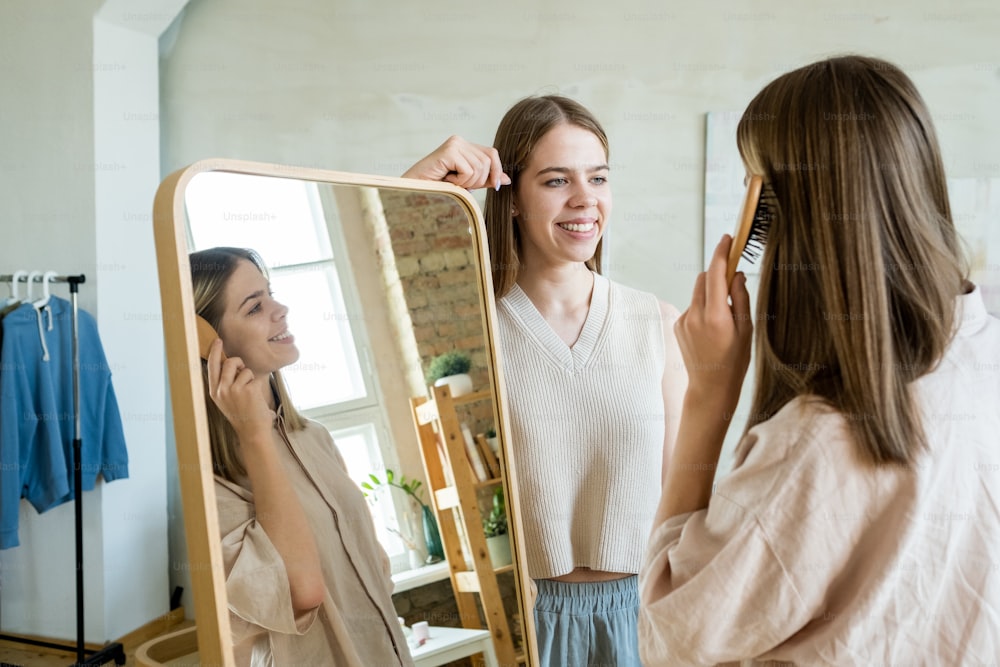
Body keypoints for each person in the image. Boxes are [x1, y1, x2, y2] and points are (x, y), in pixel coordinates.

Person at [638, 55, 1000, 665]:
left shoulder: (818, 437)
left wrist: (708, 395)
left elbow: (673, 636)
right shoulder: (984, 356)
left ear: (786, 218)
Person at [405, 96, 688, 665]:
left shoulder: (659, 324)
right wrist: (419, 185)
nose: (585, 199)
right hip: (527, 621)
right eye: (557, 180)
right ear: (511, 198)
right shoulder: (474, 333)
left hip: (648, 614)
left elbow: (683, 505)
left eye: (599, 178)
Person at [190, 247, 413, 666]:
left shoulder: (316, 439)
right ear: (207, 344)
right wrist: (254, 436)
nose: (281, 308)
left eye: (270, 293)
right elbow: (300, 593)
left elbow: (375, 574)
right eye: (255, 306)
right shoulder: (209, 482)